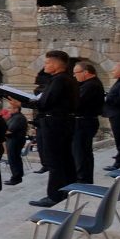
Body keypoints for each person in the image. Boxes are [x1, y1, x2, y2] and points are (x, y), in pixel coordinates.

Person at [29, 51, 78, 208]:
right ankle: (68, 189)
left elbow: (45, 103)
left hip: (55, 123)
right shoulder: (69, 79)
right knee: (65, 158)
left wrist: (25, 102)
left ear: (56, 65)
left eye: (47, 63)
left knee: (54, 160)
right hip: (64, 122)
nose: (45, 65)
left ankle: (54, 196)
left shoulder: (59, 80)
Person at [72, 59, 103, 185]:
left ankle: (83, 179)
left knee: (81, 152)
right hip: (85, 121)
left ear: (86, 72)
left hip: (84, 122)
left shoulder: (91, 85)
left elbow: (77, 103)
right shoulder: (89, 84)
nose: (74, 76)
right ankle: (84, 178)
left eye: (76, 73)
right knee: (83, 152)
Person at [4, 102, 28, 185]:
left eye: (10, 108)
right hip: (12, 140)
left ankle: (16, 178)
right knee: (14, 158)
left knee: (13, 159)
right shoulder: (13, 117)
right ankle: (16, 176)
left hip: (15, 141)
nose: (8, 109)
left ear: (16, 109)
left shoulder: (18, 118)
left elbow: (10, 130)